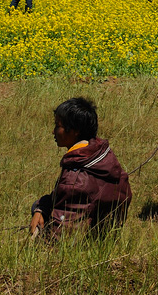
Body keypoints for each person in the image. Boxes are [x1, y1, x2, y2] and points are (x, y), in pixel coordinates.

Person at [30, 98, 131, 240]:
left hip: (82, 246)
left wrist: (39, 243)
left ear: (75, 131)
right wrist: (41, 209)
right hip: (107, 238)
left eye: (57, 126)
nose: (53, 131)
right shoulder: (102, 156)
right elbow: (59, 197)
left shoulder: (75, 178)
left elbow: (59, 236)